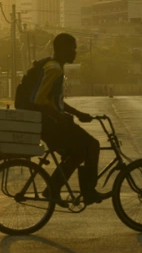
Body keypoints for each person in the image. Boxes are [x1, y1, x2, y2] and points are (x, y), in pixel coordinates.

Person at [32, 33, 105, 205]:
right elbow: (39, 99)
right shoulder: (54, 69)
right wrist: (60, 117)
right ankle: (87, 192)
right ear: (63, 49)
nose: (75, 52)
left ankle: (54, 188)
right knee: (92, 145)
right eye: (73, 48)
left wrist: (78, 114)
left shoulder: (56, 67)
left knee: (80, 152)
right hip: (50, 124)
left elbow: (54, 101)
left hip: (51, 123)